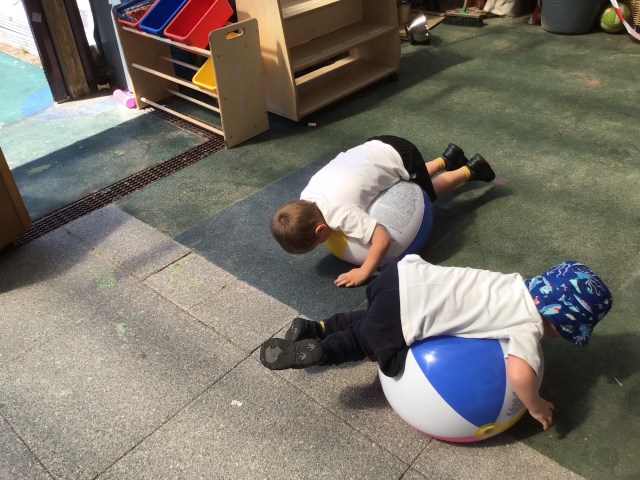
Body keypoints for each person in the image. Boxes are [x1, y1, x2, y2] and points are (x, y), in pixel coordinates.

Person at [259, 256, 613, 430]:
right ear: (559, 323)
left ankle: (315, 327)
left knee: (367, 318)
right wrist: (535, 405)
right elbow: (519, 375)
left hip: (404, 275)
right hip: (407, 312)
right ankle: (324, 352)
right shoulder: (528, 325)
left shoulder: (515, 283)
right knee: (365, 338)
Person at [270, 136, 496, 288]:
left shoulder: (342, 214)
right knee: (410, 176)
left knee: (425, 194)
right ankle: (447, 158)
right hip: (376, 146)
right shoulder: (307, 194)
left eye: (317, 244)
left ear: (320, 230)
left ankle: (471, 169)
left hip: (402, 157)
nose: (322, 245)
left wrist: (363, 272)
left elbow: (382, 240)